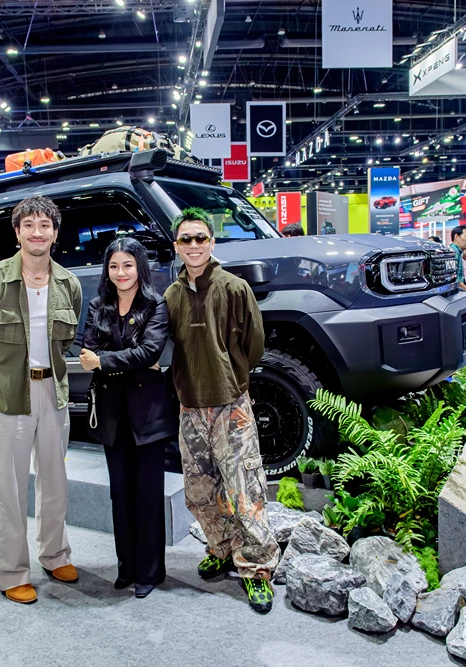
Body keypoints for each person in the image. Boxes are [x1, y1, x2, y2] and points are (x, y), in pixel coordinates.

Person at [0, 196, 83, 606]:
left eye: (45, 225)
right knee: (8, 488)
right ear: (16, 232)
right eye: (29, 225)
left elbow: (65, 342)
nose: (37, 232)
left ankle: (55, 555)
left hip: (53, 392)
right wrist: (4, 378)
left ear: (55, 233)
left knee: (55, 481)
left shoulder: (68, 284)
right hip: (8, 395)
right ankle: (12, 572)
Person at [164, 206, 280, 614]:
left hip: (231, 405)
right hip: (190, 408)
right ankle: (221, 547)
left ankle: (257, 567)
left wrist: (233, 378)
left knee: (244, 489)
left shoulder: (234, 288)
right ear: (177, 246)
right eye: (186, 239)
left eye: (201, 238)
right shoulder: (172, 296)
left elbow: (254, 343)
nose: (194, 245)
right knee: (199, 489)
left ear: (211, 242)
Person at [79, 238, 174, 599]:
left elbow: (150, 351)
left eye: (128, 265)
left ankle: (150, 572)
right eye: (114, 266)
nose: (121, 273)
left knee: (148, 494)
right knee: (120, 494)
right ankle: (127, 568)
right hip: (111, 413)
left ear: (140, 268)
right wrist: (128, 360)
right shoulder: (97, 306)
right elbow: (87, 351)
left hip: (148, 413)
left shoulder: (156, 305)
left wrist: (105, 361)